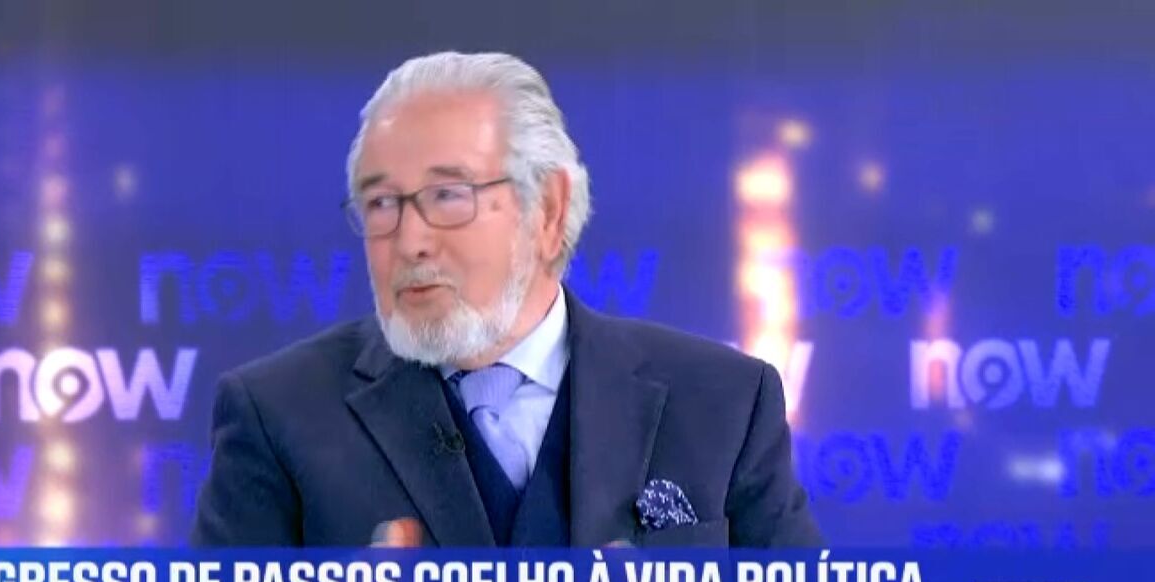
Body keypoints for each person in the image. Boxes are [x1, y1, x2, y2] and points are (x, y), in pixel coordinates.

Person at [191, 51, 822, 549]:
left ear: (547, 210)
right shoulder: (276, 413)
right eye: (381, 203)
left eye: (447, 196)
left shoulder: (723, 404)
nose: (408, 241)